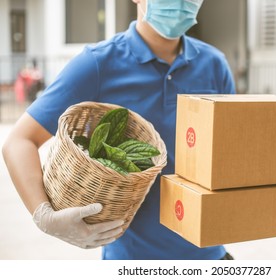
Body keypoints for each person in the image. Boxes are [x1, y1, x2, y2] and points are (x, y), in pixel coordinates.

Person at [2, 0, 236, 259]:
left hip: (210, 256)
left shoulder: (215, 65)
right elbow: (20, 141)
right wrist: (44, 215)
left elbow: (230, 155)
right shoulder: (99, 64)